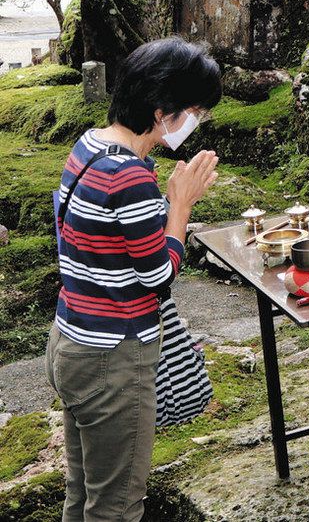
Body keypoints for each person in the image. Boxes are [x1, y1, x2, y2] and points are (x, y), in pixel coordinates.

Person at [46, 37, 221, 521]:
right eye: (194, 111)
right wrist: (180, 205)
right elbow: (158, 274)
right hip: (111, 360)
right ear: (163, 110)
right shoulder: (131, 177)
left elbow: (109, 246)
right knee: (118, 503)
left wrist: (165, 204)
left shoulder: (89, 145)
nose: (197, 121)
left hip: (70, 340)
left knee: (83, 493)